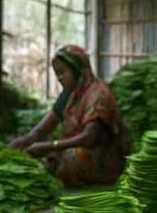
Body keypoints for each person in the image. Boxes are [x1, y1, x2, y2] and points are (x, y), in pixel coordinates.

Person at [10, 45, 130, 188]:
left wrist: (51, 146)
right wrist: (27, 139)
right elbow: (44, 127)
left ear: (77, 68)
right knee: (46, 159)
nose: (59, 78)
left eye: (62, 72)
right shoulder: (70, 94)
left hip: (102, 155)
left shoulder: (98, 94)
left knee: (71, 159)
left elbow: (89, 137)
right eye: (57, 74)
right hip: (76, 148)